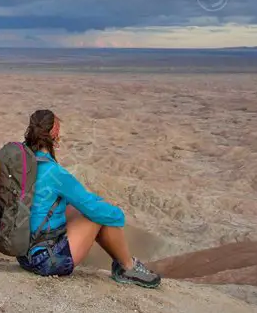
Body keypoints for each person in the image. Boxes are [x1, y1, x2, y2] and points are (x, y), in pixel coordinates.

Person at [17, 109, 161, 288]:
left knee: (74, 208)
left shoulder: (23, 164)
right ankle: (128, 266)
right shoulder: (55, 173)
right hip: (45, 261)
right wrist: (117, 214)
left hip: (24, 256)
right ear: (54, 134)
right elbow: (92, 208)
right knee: (98, 215)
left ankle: (124, 265)